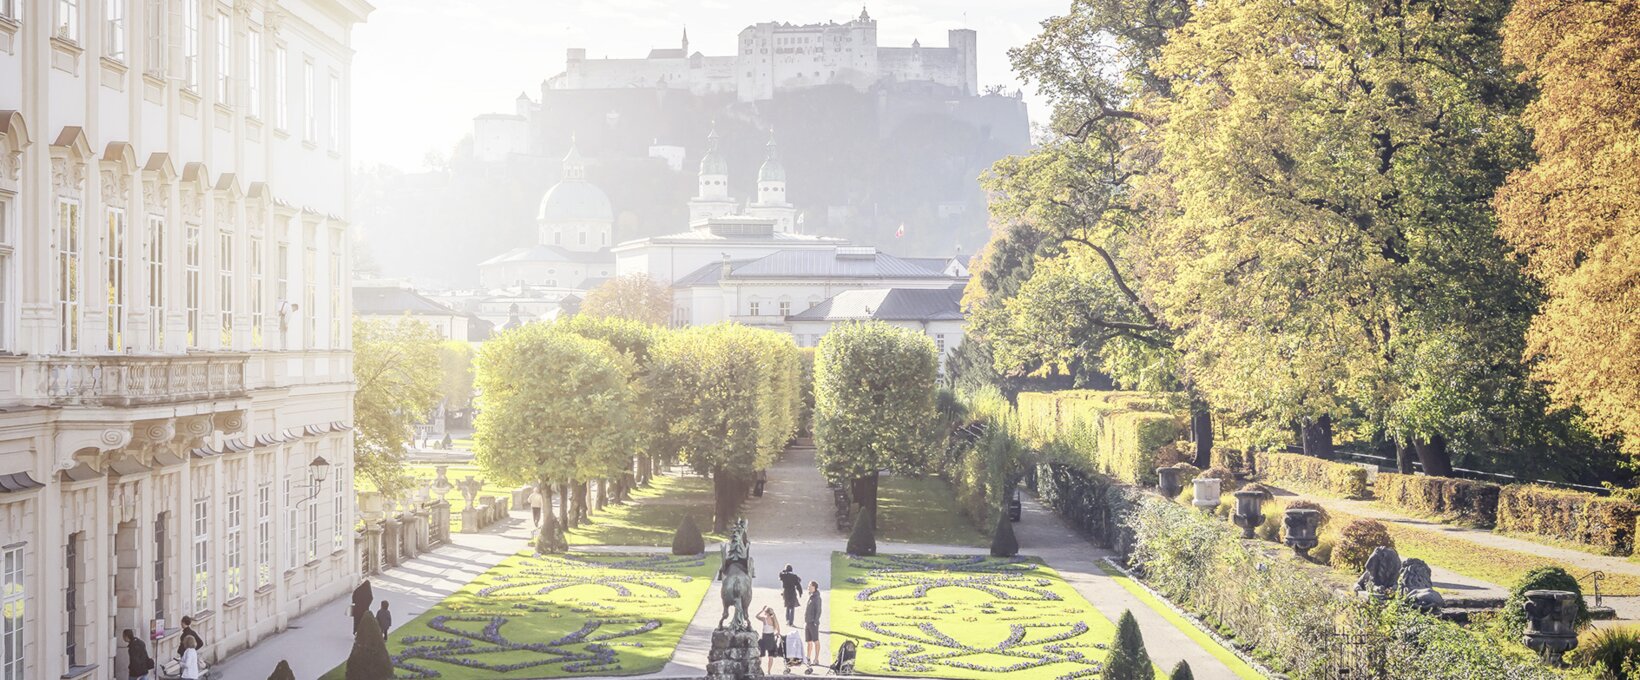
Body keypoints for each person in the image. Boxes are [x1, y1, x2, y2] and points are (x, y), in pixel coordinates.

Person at [755, 605, 782, 674]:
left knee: (760, 655)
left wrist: (762, 610)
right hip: (771, 638)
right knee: (771, 656)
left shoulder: (765, 619)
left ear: (767, 613)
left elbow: (756, 616)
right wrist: (776, 634)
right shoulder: (774, 619)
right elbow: (778, 630)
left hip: (764, 638)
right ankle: (769, 671)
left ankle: (758, 670)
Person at [804, 580, 823, 666]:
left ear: (814, 587)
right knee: (808, 641)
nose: (808, 588)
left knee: (816, 641)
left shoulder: (817, 598)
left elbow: (818, 611)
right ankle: (808, 658)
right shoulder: (810, 596)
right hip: (807, 622)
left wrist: (815, 621)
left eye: (810, 586)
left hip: (813, 623)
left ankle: (816, 659)